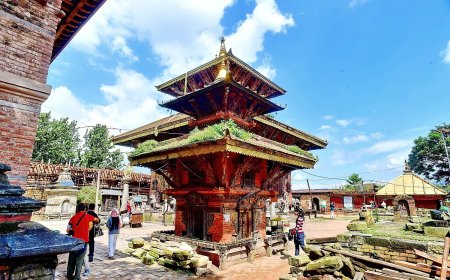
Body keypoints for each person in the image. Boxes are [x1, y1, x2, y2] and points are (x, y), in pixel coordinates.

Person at [66, 203, 96, 280]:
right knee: (79, 259)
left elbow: (68, 229)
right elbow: (97, 220)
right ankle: (77, 276)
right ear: (85, 209)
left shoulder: (73, 217)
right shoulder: (88, 216)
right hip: (83, 241)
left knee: (71, 258)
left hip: (73, 241)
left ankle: (69, 274)